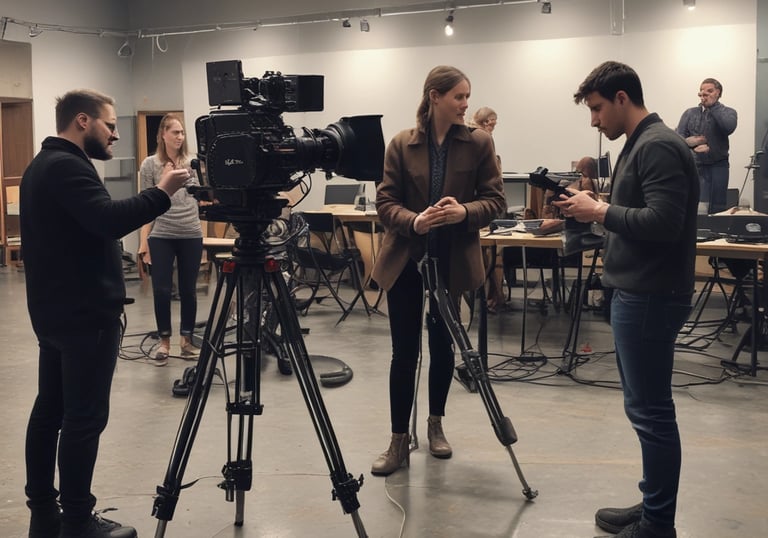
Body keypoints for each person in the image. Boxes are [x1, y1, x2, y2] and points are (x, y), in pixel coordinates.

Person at [20, 90, 191, 538]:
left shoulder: (42, 165)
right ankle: (76, 520)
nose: (116, 133)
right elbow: (108, 220)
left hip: (55, 313)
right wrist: (162, 193)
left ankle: (43, 513)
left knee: (50, 412)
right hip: (84, 316)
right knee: (82, 418)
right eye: (110, 125)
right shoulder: (66, 166)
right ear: (82, 121)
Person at [553, 61, 698, 538]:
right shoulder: (643, 144)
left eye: (596, 109)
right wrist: (598, 206)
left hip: (650, 295)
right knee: (646, 408)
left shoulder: (656, 145)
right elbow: (639, 212)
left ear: (621, 98)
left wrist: (601, 210)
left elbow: (663, 223)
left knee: (651, 412)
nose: (594, 120)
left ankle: (658, 523)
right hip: (640, 292)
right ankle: (653, 504)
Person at [370, 66, 505, 476]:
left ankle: (436, 426)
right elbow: (384, 202)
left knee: (443, 347)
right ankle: (397, 441)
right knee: (404, 351)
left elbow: (495, 201)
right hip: (407, 260)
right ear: (434, 97)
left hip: (452, 260)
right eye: (459, 97)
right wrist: (414, 222)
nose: (466, 104)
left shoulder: (480, 143)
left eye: (467, 96)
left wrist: (464, 211)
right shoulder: (400, 144)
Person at [138, 114, 203, 366]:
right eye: (175, 132)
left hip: (190, 232)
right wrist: (144, 242)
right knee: (162, 290)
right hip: (162, 233)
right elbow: (144, 205)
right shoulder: (150, 165)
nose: (179, 136)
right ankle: (164, 341)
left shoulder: (192, 163)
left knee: (188, 290)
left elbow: (200, 198)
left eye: (182, 132)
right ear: (162, 135)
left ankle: (186, 340)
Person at [676, 77, 737, 214]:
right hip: (696, 166)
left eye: (710, 91)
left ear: (718, 93)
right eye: (702, 91)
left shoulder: (729, 112)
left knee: (718, 206)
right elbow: (678, 138)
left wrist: (713, 107)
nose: (705, 94)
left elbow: (728, 127)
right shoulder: (690, 113)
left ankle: (715, 234)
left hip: (719, 165)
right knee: (698, 205)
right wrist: (691, 143)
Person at [471, 106, 507, 313]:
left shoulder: (472, 135)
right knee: (493, 251)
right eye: (493, 122)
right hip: (485, 204)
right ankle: (495, 295)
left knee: (490, 251)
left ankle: (494, 295)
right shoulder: (484, 138)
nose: (494, 126)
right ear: (487, 122)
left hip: (478, 202)